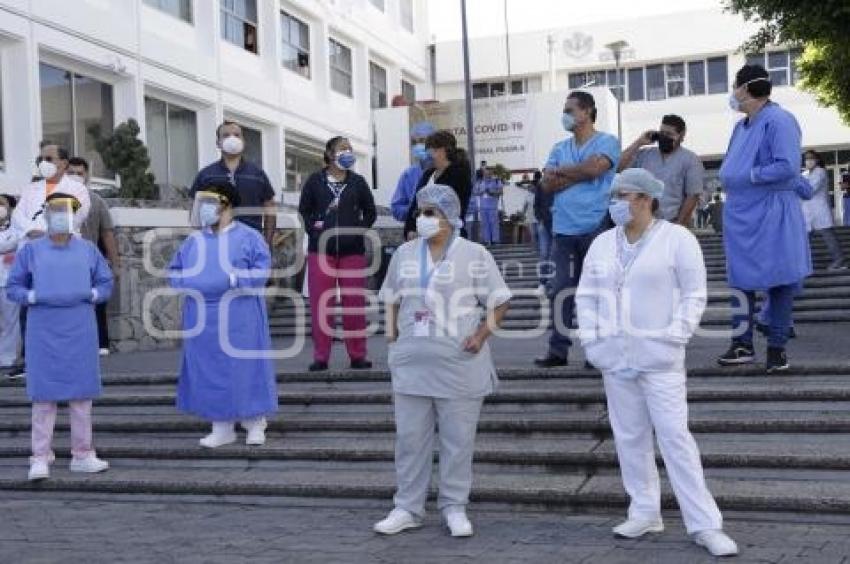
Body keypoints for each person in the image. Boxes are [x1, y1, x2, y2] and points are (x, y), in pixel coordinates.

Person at [576, 168, 738, 557]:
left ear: (647, 199)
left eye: (625, 195)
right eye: (614, 196)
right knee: (629, 437)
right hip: (615, 357)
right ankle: (644, 510)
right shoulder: (601, 244)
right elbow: (585, 296)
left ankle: (704, 524)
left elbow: (694, 294)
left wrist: (675, 335)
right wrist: (593, 343)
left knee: (675, 438)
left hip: (659, 357)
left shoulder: (676, 239)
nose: (617, 203)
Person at [373, 184, 511, 538]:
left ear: (450, 218)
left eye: (431, 213)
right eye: (421, 212)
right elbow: (389, 297)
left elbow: (499, 302)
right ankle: (407, 507)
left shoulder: (474, 253)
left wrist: (480, 336)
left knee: (457, 440)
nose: (423, 218)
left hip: (459, 364)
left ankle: (454, 506)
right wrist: (392, 338)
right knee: (410, 439)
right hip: (412, 364)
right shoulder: (404, 253)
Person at [6, 193, 113, 481]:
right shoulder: (31, 251)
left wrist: (92, 294)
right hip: (43, 329)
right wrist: (32, 295)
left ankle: (83, 454)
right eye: (53, 210)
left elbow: (105, 281)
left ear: (75, 216)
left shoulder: (88, 250)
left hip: (80, 327)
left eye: (65, 210)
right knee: (43, 397)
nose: (59, 215)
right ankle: (40, 457)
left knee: (81, 396)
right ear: (46, 214)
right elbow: (13, 286)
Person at [716, 64, 811, 373]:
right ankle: (741, 343)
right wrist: (737, 178)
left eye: (735, 86)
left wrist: (748, 175)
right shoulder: (741, 126)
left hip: (772, 210)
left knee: (780, 279)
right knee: (739, 278)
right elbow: (730, 168)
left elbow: (787, 167)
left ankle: (777, 349)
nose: (733, 92)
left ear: (745, 89)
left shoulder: (779, 120)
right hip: (742, 212)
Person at [168, 182, 278, 448]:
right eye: (201, 204)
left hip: (240, 313)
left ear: (226, 204)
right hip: (203, 316)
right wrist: (189, 281)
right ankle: (221, 425)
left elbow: (262, 272)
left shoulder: (249, 237)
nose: (204, 209)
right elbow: (174, 271)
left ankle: (254, 421)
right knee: (209, 367)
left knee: (245, 364)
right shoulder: (193, 241)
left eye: (209, 203)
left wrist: (235, 277)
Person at [534, 91, 621, 368]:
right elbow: (546, 184)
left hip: (596, 226)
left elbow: (596, 169)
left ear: (586, 112)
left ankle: (597, 352)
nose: (565, 115)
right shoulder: (559, 147)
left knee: (597, 291)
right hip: (563, 229)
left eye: (570, 110)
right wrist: (580, 171)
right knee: (560, 290)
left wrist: (564, 173)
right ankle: (557, 351)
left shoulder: (607, 141)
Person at [11, 142, 91, 380]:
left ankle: (65, 361)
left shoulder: (77, 189)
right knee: (29, 307)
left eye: (49, 158)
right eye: (41, 158)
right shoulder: (31, 189)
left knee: (63, 307)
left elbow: (75, 217)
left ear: (64, 163)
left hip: (62, 255)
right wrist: (35, 231)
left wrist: (43, 231)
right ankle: (28, 359)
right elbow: (17, 216)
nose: (43, 162)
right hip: (33, 254)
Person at [298, 136, 377, 372]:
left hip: (352, 251)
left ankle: (357, 355)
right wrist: (315, 230)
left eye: (350, 149)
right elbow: (305, 211)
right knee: (322, 304)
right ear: (330, 153)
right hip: (321, 251)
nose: (348, 152)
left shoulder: (358, 182)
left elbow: (370, 212)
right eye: (343, 148)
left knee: (354, 303)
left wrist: (357, 231)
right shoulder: (314, 181)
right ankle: (321, 357)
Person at [190, 121, 277, 249]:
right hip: (215, 244)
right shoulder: (206, 175)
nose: (232, 138)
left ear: (243, 141)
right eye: (226, 135)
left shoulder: (258, 175)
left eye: (237, 135)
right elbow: (194, 212)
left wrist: (267, 242)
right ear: (218, 143)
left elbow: (270, 209)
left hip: (249, 244)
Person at [68, 157, 121, 355]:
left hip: (91, 261)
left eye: (79, 173)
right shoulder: (56, 201)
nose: (75, 177)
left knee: (97, 303)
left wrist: (115, 264)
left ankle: (101, 344)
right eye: (71, 172)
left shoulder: (97, 201)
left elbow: (107, 233)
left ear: (87, 176)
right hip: (64, 261)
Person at [619, 114, 705, 226]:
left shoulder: (691, 160)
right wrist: (639, 142)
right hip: (641, 222)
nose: (664, 137)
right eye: (662, 133)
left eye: (669, 134)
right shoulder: (645, 155)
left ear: (681, 136)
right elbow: (619, 167)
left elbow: (692, 196)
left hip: (671, 223)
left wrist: (678, 225)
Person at [403, 130, 473, 240]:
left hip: (450, 237)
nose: (428, 155)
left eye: (432, 150)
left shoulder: (459, 175)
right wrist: (410, 229)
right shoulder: (427, 174)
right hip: (423, 237)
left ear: (443, 150)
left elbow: (449, 208)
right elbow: (415, 204)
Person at [801, 150, 846, 270]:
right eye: (806, 158)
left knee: (828, 237)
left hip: (820, 210)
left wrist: (797, 186)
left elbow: (810, 190)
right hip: (807, 212)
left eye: (811, 158)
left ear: (817, 160)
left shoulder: (820, 172)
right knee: (803, 240)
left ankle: (839, 260)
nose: (808, 161)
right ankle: (803, 264)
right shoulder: (804, 174)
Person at [390, 121, 435, 222]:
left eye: (422, 140)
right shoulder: (408, 175)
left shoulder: (447, 169)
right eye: (414, 142)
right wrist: (415, 210)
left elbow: (467, 206)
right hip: (416, 231)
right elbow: (396, 208)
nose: (418, 145)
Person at [0, 194, 20, 377]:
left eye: (2, 204)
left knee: (10, 321)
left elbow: (15, 243)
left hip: (7, 282)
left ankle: (7, 358)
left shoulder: (16, 229)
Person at [530, 170, 554, 294]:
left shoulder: (562, 184)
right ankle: (543, 283)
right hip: (544, 224)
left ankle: (552, 282)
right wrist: (540, 219)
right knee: (544, 254)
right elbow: (536, 204)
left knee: (554, 255)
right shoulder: (540, 186)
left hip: (558, 225)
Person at [473, 167, 503, 246]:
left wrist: (492, 192)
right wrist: (482, 192)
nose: (487, 175)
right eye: (486, 173)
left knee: (494, 223)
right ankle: (487, 240)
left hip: (493, 207)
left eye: (489, 173)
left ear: (492, 173)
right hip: (483, 207)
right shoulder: (479, 182)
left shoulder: (496, 181)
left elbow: (500, 191)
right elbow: (475, 192)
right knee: (485, 224)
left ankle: (495, 240)